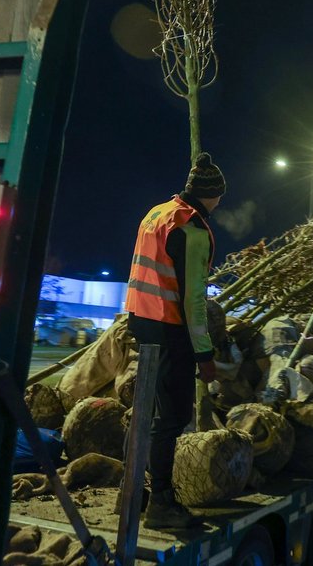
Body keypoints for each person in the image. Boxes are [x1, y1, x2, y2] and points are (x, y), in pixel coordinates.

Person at [124, 152, 224, 529]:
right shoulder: (192, 230)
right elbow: (194, 301)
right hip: (170, 327)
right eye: (219, 197)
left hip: (141, 320)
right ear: (211, 195)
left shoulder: (157, 213)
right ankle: (161, 505)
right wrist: (205, 355)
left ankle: (130, 494)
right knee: (173, 418)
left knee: (145, 411)